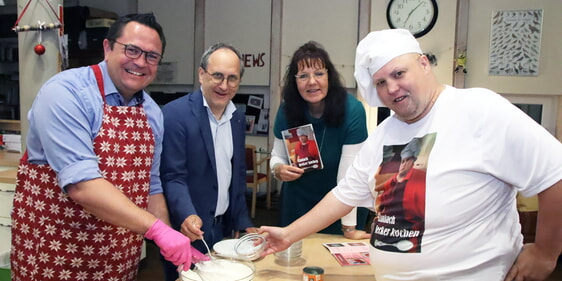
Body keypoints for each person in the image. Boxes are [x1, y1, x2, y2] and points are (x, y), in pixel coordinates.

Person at [259, 29, 562, 281]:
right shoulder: (384, 134)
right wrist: (288, 235)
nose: (392, 87)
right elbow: (344, 196)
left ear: (424, 64)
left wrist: (547, 252)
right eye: (380, 82)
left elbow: (554, 172)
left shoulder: (479, 110)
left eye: (399, 73)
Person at [10, 13, 206, 281]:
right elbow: (82, 185)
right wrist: (157, 231)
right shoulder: (66, 93)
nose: (140, 62)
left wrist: (168, 236)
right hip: (56, 255)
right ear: (107, 47)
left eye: (152, 56)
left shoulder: (151, 112)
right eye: (132, 50)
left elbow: (151, 185)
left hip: (117, 260)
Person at [160, 43, 257, 281]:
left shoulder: (236, 117)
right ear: (201, 74)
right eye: (218, 76)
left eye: (232, 78)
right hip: (188, 231)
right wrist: (186, 215)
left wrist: (243, 222)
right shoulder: (175, 114)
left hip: (223, 229)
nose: (224, 85)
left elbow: (237, 173)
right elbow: (173, 176)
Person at [270, 41, 371, 239]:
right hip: (297, 206)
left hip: (341, 209)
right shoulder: (287, 110)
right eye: (303, 76)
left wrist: (349, 228)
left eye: (319, 74)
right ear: (294, 81)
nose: (312, 82)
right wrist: (278, 170)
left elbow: (348, 179)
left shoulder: (352, 111)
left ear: (329, 76)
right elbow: (277, 156)